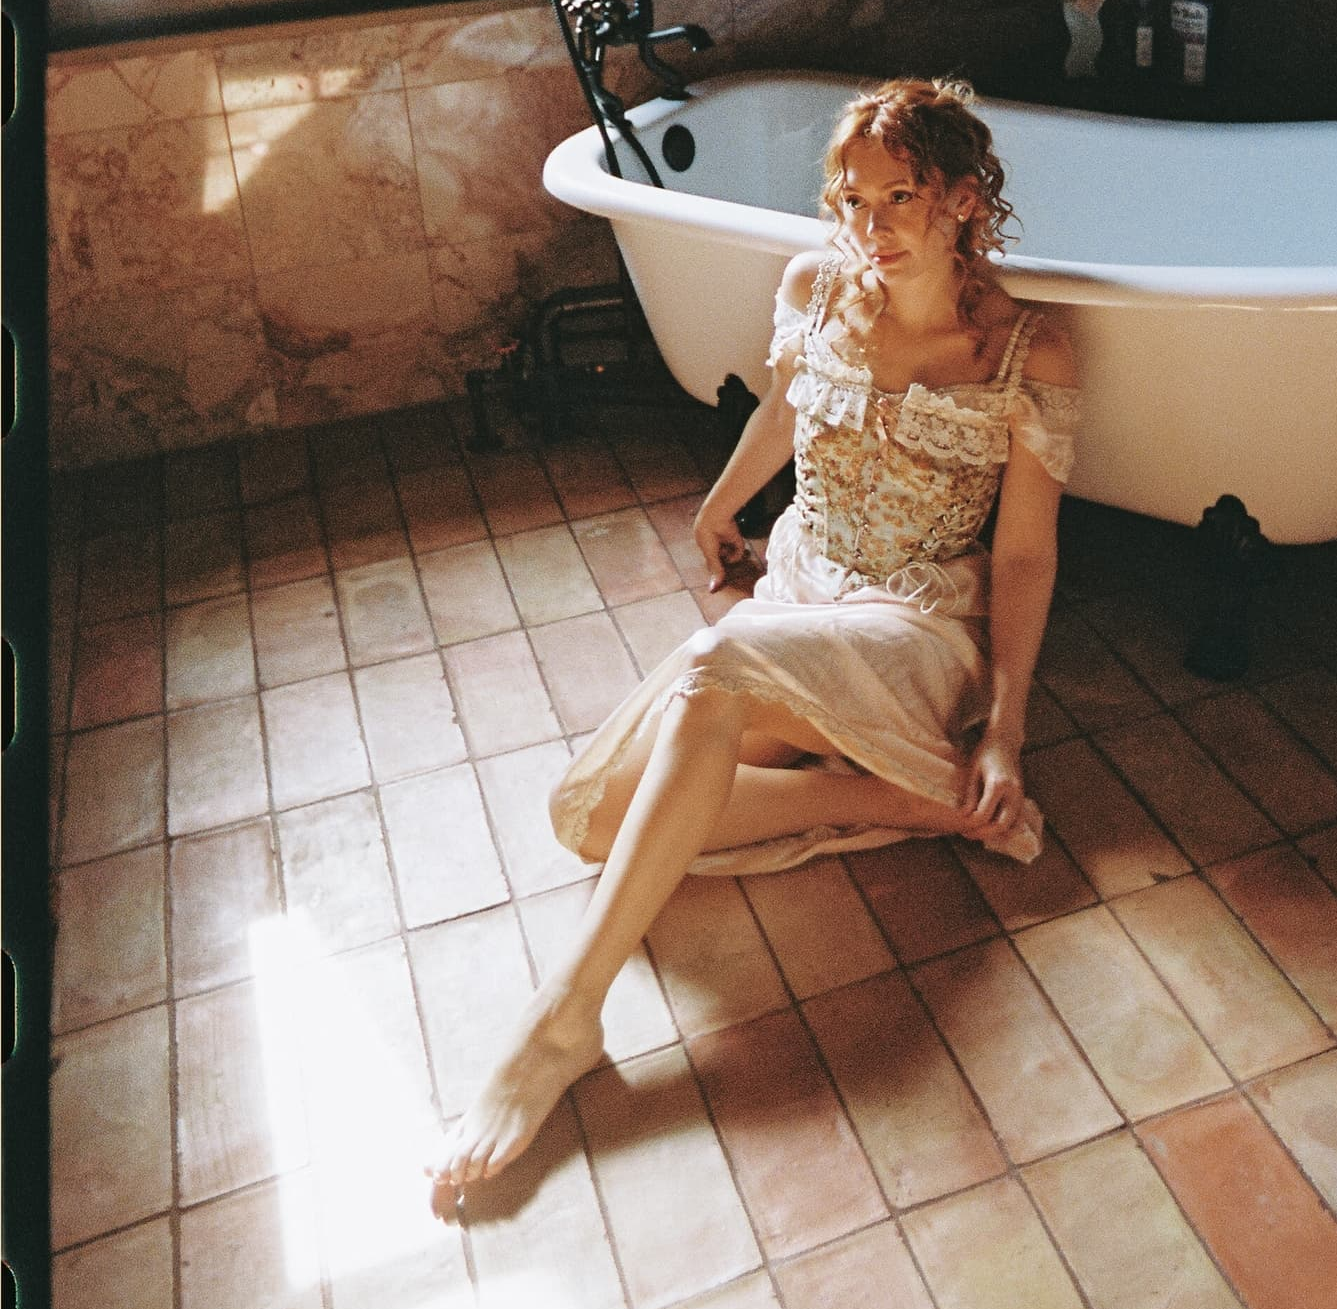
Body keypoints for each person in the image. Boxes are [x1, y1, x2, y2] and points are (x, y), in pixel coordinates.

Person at [430, 77, 1080, 1190]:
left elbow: (1021, 557)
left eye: (898, 198)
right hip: (797, 597)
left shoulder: (1030, 351)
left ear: (964, 201)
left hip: (914, 625)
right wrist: (722, 501)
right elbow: (782, 410)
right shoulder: (815, 287)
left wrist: (1005, 728)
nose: (868, 228)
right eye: (851, 200)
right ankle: (910, 803)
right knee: (584, 816)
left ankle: (564, 1019)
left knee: (712, 663)